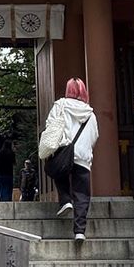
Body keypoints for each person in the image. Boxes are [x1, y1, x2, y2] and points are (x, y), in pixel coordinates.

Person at [37, 78, 98, 243]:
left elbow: (51, 127)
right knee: (82, 194)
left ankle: (64, 199)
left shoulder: (61, 105)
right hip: (83, 156)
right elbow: (94, 136)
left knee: (57, 169)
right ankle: (79, 231)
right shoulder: (90, 113)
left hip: (64, 151)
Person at [0, 137, 15, 203]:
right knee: (8, 188)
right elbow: (14, 163)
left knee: (1, 188)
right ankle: (8, 200)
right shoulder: (11, 153)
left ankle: (1, 201)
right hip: (9, 174)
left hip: (0, 174)